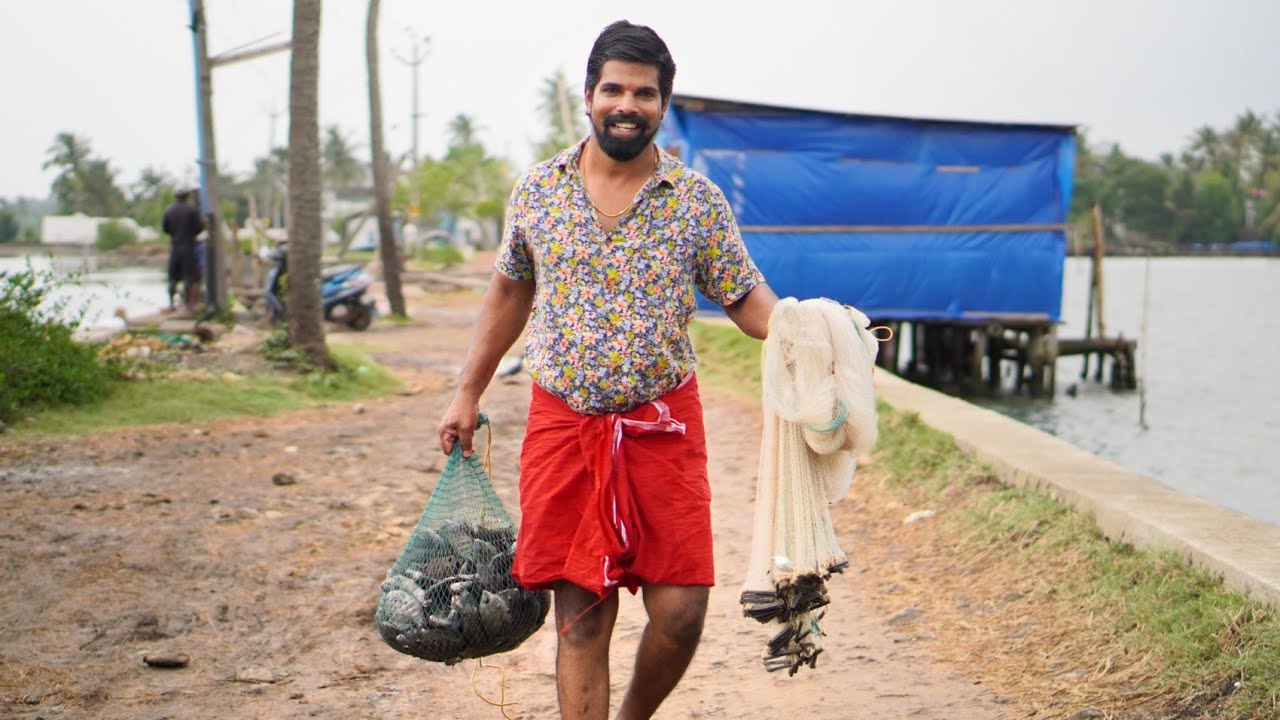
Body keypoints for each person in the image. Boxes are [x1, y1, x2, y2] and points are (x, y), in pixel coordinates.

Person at [437, 19, 778, 720]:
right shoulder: (539, 191)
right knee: (582, 617)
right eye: (614, 89)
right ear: (588, 95)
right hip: (566, 426)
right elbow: (509, 289)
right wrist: (467, 390)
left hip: (664, 425)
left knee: (681, 611)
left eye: (645, 94)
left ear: (663, 104)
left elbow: (745, 297)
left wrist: (815, 330)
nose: (628, 104)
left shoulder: (695, 202)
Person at [162, 187, 205, 315]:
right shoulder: (192, 210)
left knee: (173, 277)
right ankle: (189, 305)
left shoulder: (169, 210)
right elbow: (199, 227)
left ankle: (171, 303)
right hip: (188, 246)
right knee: (191, 277)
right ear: (187, 197)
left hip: (175, 245)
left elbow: (165, 228)